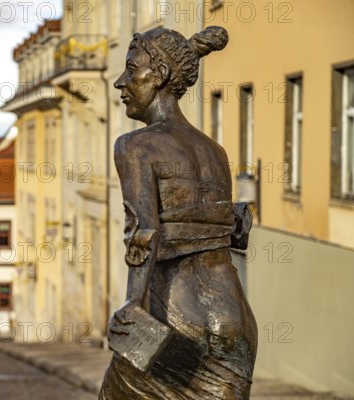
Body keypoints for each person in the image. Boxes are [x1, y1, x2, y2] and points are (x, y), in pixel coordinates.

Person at [99, 26, 257, 399]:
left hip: (173, 314)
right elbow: (233, 229)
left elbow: (144, 233)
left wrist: (132, 306)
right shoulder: (214, 151)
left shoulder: (135, 146)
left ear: (161, 75)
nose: (121, 83)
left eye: (131, 69)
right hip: (233, 316)